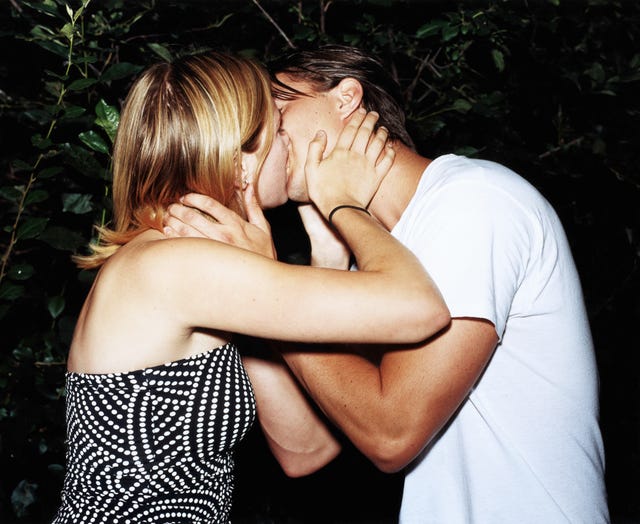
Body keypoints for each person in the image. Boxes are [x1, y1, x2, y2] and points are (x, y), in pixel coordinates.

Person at [165, 45, 610, 523]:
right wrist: (313, 275)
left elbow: (391, 433)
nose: (265, 134)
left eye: (277, 109)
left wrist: (264, 287)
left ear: (345, 99)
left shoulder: (473, 201)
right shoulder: (377, 265)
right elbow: (303, 451)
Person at [52, 51, 451, 524]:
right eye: (278, 129)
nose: (289, 144)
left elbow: (306, 449)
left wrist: (326, 257)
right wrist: (348, 206)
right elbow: (419, 306)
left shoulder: (198, 265)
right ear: (240, 160)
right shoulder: (176, 265)